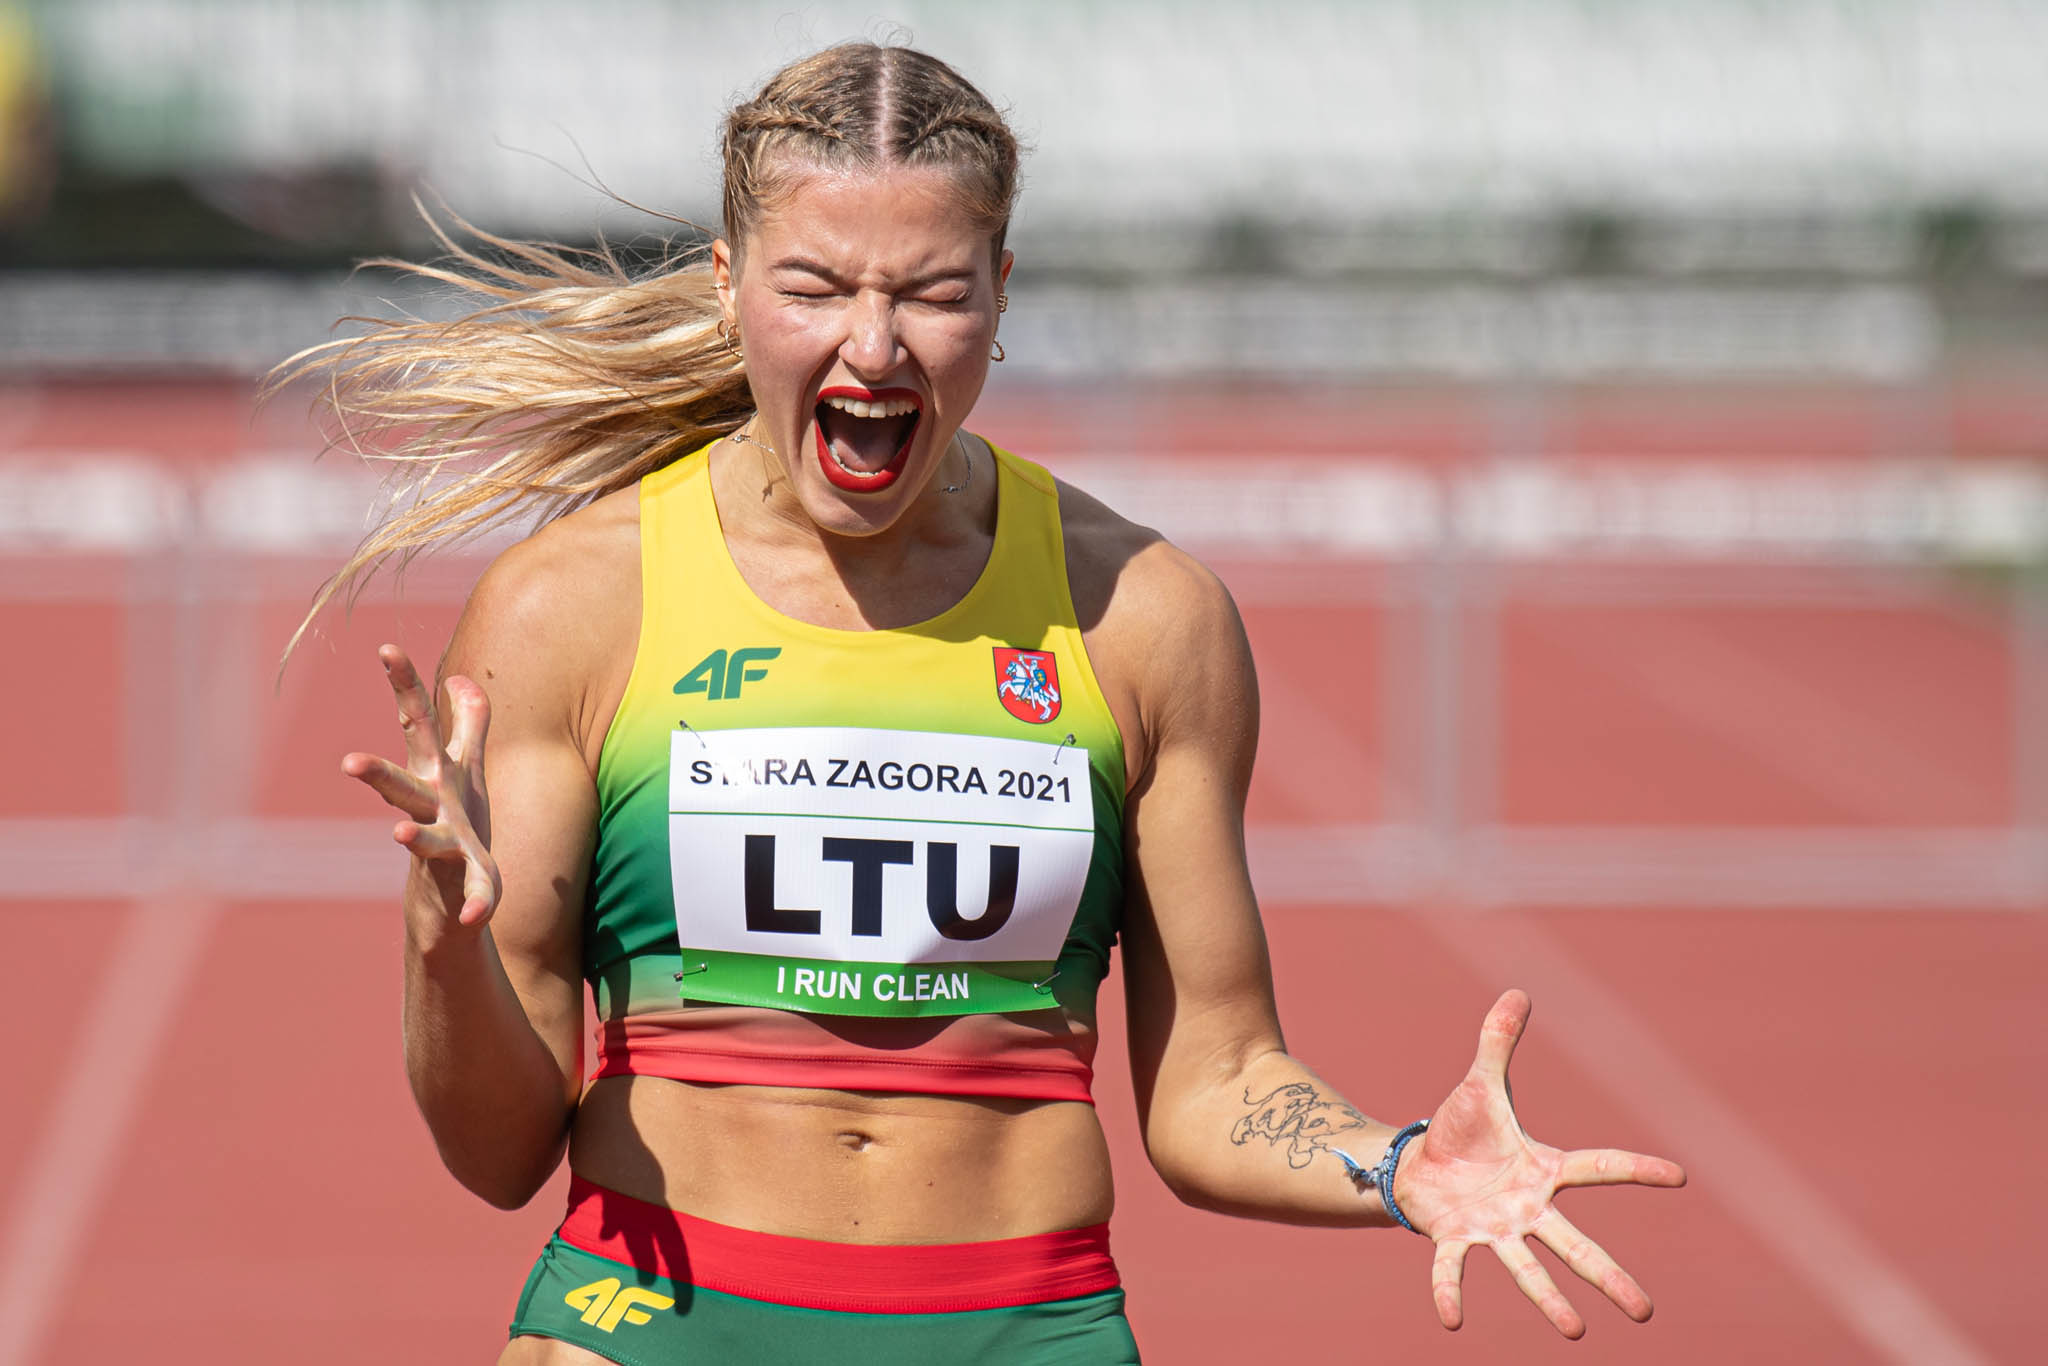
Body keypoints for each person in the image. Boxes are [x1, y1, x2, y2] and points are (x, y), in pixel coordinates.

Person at [295, 42, 1685, 1365]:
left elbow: (1214, 1077)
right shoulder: (575, 611)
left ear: (1004, 293)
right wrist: (441, 944)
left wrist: (1395, 1163)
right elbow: (496, 1153)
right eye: (817, 285)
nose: (875, 344)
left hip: (1019, 1326)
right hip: (648, 1320)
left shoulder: (1143, 618)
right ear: (727, 286)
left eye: (933, 292)